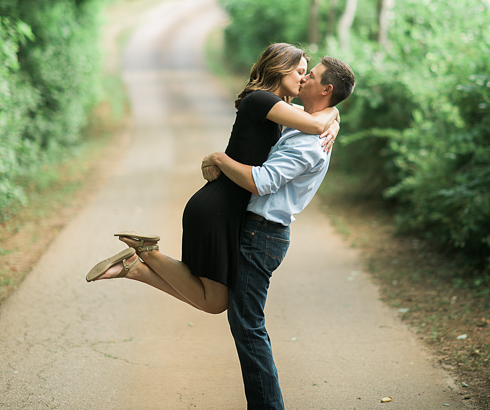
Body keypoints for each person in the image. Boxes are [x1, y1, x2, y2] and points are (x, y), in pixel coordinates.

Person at [85, 43, 340, 315]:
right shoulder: (262, 100)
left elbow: (317, 118)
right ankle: (147, 254)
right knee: (214, 302)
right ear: (280, 68)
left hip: (225, 209)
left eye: (307, 74)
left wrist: (334, 117)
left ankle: (136, 267)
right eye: (300, 71)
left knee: (214, 300)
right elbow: (315, 124)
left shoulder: (277, 109)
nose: (303, 79)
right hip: (217, 208)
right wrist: (332, 116)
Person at [200, 56, 355, 410]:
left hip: (262, 235)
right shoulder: (309, 124)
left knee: (249, 326)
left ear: (326, 91)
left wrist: (219, 159)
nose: (304, 78)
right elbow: (311, 117)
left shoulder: (308, 142)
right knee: (244, 324)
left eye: (313, 76)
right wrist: (333, 117)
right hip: (258, 232)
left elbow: (262, 181)